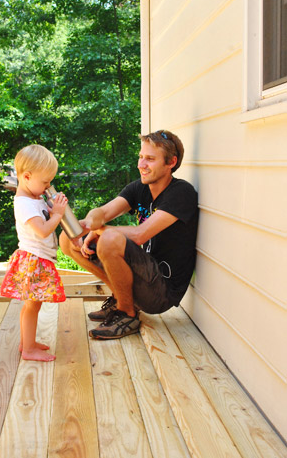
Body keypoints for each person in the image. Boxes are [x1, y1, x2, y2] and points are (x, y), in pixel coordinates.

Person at [59, 130, 198, 340]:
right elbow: (104, 212)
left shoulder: (181, 192)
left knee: (109, 239)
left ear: (171, 162)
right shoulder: (140, 188)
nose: (141, 164)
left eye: (150, 159)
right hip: (143, 277)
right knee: (68, 239)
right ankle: (120, 299)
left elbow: (140, 235)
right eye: (141, 157)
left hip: (162, 290)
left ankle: (127, 314)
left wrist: (98, 231)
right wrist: (87, 224)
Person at [0, 144, 68, 361]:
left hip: (38, 258)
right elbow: (42, 231)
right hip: (33, 259)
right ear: (27, 177)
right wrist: (57, 215)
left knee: (33, 305)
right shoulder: (24, 204)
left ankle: (26, 343)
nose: (49, 185)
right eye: (45, 181)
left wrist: (51, 209)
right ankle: (28, 349)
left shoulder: (34, 198)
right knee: (31, 306)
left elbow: (42, 218)